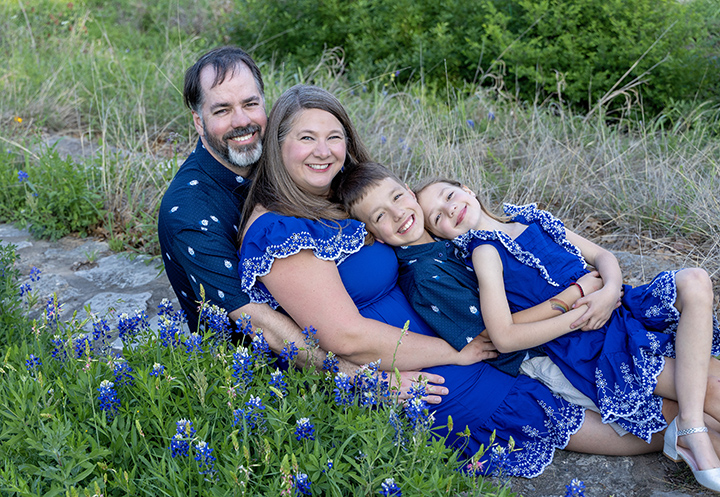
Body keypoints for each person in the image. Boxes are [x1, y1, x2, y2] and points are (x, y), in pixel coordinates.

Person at [238, 84, 666, 478]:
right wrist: (456, 352)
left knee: (652, 399)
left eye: (334, 136)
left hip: (489, 350)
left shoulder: (336, 200)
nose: (324, 151)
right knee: (647, 428)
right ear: (277, 146)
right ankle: (696, 440)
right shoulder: (276, 230)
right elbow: (345, 337)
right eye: (306, 138)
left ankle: (698, 436)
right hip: (451, 379)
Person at [157, 47, 443, 399]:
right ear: (198, 120)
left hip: (370, 340)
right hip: (273, 379)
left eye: (250, 104)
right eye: (221, 110)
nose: (240, 121)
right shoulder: (189, 208)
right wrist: (366, 380)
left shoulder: (281, 159)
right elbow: (256, 321)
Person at [412, 177, 720, 490]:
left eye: (448, 195)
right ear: (439, 235)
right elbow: (503, 336)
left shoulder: (531, 218)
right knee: (711, 390)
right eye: (437, 218)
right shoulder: (484, 253)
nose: (450, 210)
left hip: (620, 309)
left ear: (467, 189)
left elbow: (602, 257)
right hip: (592, 343)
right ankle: (692, 426)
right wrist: (580, 307)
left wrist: (610, 290)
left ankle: (689, 424)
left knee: (694, 279)